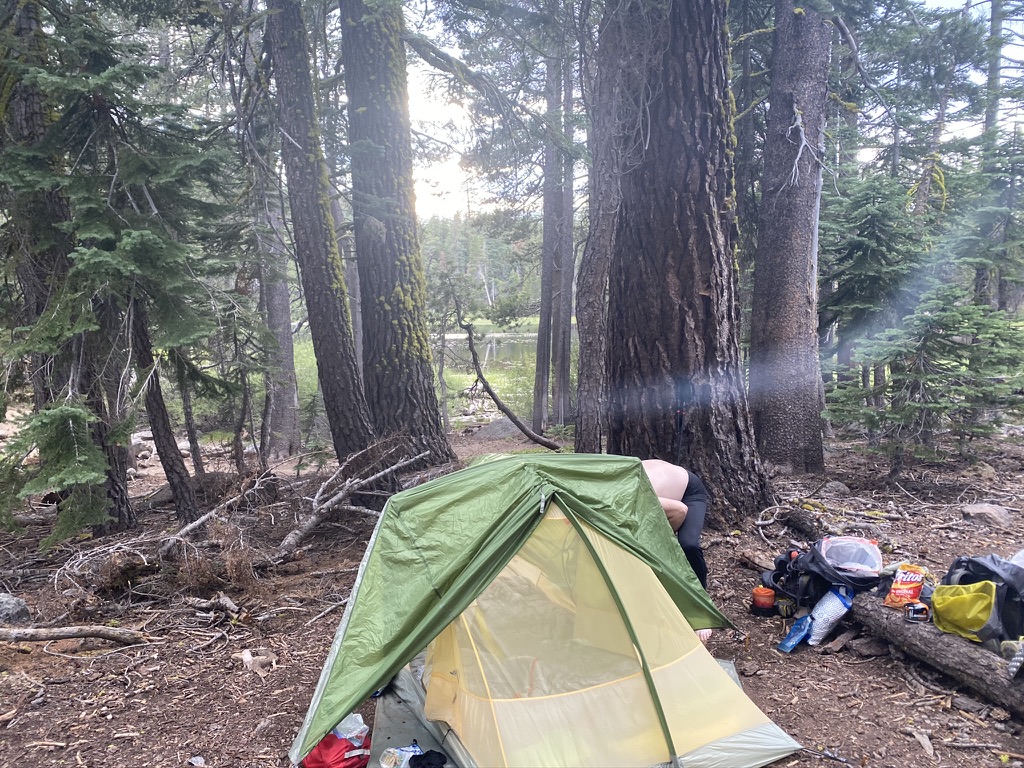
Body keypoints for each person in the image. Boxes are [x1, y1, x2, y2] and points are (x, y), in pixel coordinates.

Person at [642, 459, 713, 643]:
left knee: (688, 545)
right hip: (664, 490)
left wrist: (663, 542)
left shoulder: (642, 497)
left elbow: (680, 511)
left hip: (689, 493)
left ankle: (701, 611)